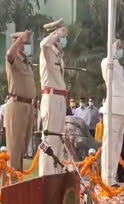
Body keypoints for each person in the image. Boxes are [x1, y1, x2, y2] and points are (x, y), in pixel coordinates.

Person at [39, 18, 68, 176]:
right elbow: (43, 44)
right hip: (51, 98)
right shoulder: (47, 50)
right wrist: (56, 33)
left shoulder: (58, 54)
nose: (65, 38)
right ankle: (45, 177)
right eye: (63, 34)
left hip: (60, 98)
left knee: (59, 139)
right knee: (49, 139)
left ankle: (55, 175)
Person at [5, 31, 36, 173]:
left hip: (28, 106)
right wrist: (19, 41)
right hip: (17, 105)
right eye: (25, 43)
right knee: (15, 148)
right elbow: (9, 54)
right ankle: (12, 185)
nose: (27, 47)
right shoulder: (13, 59)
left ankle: (19, 180)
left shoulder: (27, 63)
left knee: (23, 147)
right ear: (18, 44)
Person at [101, 39, 124, 186]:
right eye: (118, 47)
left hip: (122, 110)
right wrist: (112, 49)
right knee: (109, 145)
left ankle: (112, 177)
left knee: (117, 146)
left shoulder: (121, 68)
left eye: (121, 47)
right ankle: (106, 177)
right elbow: (107, 71)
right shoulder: (107, 62)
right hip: (112, 110)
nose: (120, 49)